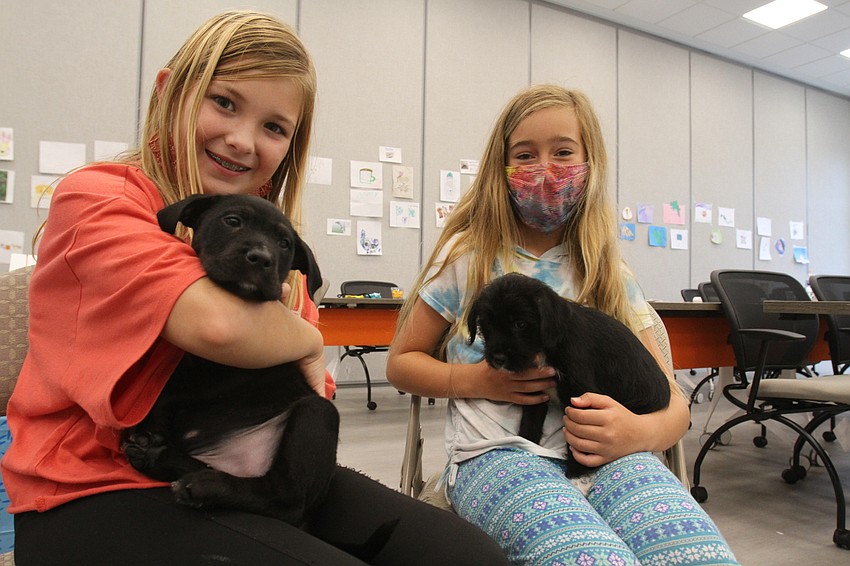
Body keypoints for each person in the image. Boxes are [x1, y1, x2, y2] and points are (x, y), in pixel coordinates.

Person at [1, 11, 508, 565]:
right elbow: (219, 327)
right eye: (224, 102)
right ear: (172, 93)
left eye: (274, 127)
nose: (241, 139)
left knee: (468, 555)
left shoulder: (277, 246)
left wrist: (294, 343)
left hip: (257, 471)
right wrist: (307, 341)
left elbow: (309, 395)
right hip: (93, 488)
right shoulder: (100, 198)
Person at [387, 84, 739, 565]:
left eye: (563, 152)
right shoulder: (467, 256)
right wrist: (479, 379)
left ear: (589, 162)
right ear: (501, 167)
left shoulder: (604, 268)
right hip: (496, 455)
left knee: (696, 556)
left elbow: (674, 404)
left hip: (613, 455)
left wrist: (641, 433)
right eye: (525, 155)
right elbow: (401, 364)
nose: (545, 170)